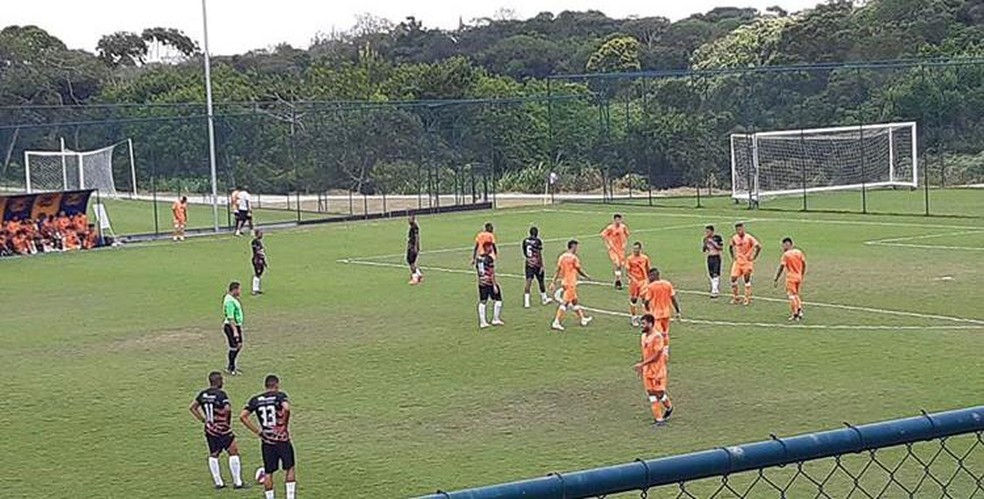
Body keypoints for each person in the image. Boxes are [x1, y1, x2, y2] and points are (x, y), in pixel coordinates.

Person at [240, 374, 296, 499]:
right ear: (276, 385)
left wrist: (259, 432)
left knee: (268, 472)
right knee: (289, 468)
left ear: (266, 386)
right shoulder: (280, 396)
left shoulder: (255, 399)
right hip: (282, 439)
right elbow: (286, 409)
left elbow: (243, 416)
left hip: (267, 441)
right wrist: (284, 426)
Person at [190, 371, 244, 489]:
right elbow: (227, 409)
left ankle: (218, 482)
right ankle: (238, 482)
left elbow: (193, 407)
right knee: (233, 451)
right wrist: (227, 422)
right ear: (218, 381)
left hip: (209, 429)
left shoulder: (203, 394)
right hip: (222, 429)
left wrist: (203, 420)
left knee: (214, 454)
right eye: (222, 380)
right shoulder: (221, 394)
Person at [634, 314, 674, 427]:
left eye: (644, 324)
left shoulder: (657, 337)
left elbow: (656, 356)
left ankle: (669, 407)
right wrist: (642, 365)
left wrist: (642, 364)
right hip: (647, 370)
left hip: (657, 370)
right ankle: (659, 419)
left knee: (659, 393)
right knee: (651, 393)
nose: (642, 326)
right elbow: (645, 353)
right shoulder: (643, 336)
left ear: (651, 324)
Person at [549, 239, 592, 331]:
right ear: (573, 246)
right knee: (565, 303)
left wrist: (553, 282)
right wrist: (587, 276)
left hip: (564, 282)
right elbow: (578, 269)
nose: (577, 249)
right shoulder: (573, 258)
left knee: (575, 301)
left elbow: (558, 270)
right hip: (571, 283)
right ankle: (556, 322)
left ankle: (582, 319)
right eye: (576, 246)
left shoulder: (562, 257)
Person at [644, 267, 681, 353]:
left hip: (656, 314)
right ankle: (666, 350)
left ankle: (659, 350)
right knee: (665, 332)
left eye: (649, 276)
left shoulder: (651, 287)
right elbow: (673, 298)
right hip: (667, 313)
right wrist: (677, 310)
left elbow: (646, 301)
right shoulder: (667, 284)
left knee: (658, 333)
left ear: (653, 276)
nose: (648, 278)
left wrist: (647, 309)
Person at [774, 237, 807, 321]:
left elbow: (781, 267)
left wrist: (776, 278)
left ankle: (794, 314)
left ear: (787, 245)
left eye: (784, 245)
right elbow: (804, 264)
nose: (783, 247)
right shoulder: (799, 252)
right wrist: (801, 274)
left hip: (791, 278)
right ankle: (799, 311)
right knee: (796, 295)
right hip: (798, 277)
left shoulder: (786, 255)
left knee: (791, 296)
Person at [729, 222, 762, 305]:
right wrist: (733, 256)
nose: (739, 231)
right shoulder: (735, 238)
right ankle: (736, 297)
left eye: (740, 229)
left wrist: (754, 257)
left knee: (746, 279)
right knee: (733, 278)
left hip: (747, 262)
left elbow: (758, 246)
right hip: (738, 262)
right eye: (737, 230)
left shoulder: (749, 238)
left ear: (743, 229)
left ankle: (747, 298)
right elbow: (730, 246)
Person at [521, 226, 551, 308]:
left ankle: (526, 302)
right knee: (540, 281)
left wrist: (528, 259)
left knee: (528, 281)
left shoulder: (525, 241)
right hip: (536, 264)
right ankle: (544, 298)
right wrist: (541, 265)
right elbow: (539, 253)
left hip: (528, 263)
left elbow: (524, 251)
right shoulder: (537, 241)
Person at [476, 243, 504, 328]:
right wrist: (494, 285)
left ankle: (482, 322)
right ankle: (495, 319)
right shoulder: (489, 259)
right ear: (486, 248)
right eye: (490, 247)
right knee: (498, 299)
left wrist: (480, 279)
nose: (491, 249)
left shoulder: (479, 258)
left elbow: (478, 271)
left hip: (481, 282)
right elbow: (491, 272)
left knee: (483, 301)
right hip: (489, 282)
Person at [625, 242, 652, 326]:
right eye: (634, 248)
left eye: (637, 248)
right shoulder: (629, 259)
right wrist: (632, 278)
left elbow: (648, 269)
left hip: (643, 281)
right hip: (634, 282)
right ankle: (634, 318)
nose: (635, 250)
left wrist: (649, 280)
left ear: (640, 249)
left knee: (645, 300)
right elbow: (627, 271)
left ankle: (646, 318)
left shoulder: (645, 258)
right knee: (634, 299)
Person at [600, 214, 630, 289]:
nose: (618, 221)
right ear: (614, 220)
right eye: (616, 220)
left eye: (619, 220)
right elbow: (603, 235)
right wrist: (608, 245)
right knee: (617, 264)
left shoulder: (623, 227)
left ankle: (620, 279)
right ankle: (618, 281)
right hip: (613, 250)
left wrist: (624, 243)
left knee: (621, 265)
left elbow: (627, 235)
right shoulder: (610, 228)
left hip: (621, 250)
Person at [223, 281, 245, 375]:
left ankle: (232, 366)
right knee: (234, 347)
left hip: (236, 326)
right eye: (239, 289)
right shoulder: (229, 302)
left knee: (239, 345)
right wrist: (235, 331)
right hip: (231, 326)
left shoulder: (232, 299)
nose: (240, 291)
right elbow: (230, 317)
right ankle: (231, 368)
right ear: (235, 290)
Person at [702, 225, 724, 298]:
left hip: (716, 257)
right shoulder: (705, 239)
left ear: (712, 231)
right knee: (711, 274)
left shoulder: (717, 238)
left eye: (708, 231)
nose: (707, 233)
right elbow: (704, 250)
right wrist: (705, 244)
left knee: (715, 273)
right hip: (710, 257)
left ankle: (714, 290)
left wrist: (713, 242)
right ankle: (714, 288)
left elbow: (720, 248)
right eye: (706, 231)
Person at [407, 214, 422, 285]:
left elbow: (417, 237)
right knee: (410, 261)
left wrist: (416, 247)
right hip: (411, 246)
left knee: (411, 262)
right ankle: (418, 274)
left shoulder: (415, 227)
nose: (408, 220)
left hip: (412, 247)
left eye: (410, 219)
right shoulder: (412, 227)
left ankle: (415, 278)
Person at [251, 230, 268, 295]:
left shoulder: (259, 242)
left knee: (260, 273)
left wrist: (264, 261)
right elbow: (257, 251)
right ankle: (254, 290)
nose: (262, 235)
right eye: (260, 233)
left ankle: (257, 289)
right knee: (257, 273)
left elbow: (261, 252)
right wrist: (258, 259)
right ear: (256, 234)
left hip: (260, 259)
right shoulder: (255, 242)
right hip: (257, 259)